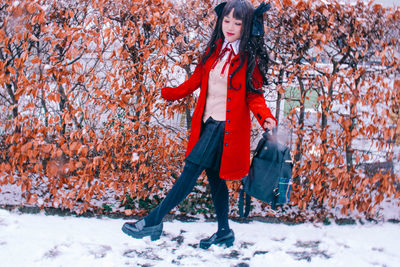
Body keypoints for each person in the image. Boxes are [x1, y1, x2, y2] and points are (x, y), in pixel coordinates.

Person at [122, 0, 277, 249]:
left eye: (237, 23)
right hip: (207, 124)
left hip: (224, 128)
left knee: (190, 171)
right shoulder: (215, 48)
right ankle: (224, 232)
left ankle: (153, 220)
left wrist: (266, 117)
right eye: (226, 20)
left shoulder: (250, 60)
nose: (230, 26)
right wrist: (172, 93)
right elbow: (198, 78)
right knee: (216, 180)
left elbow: (253, 95)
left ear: (246, 26)